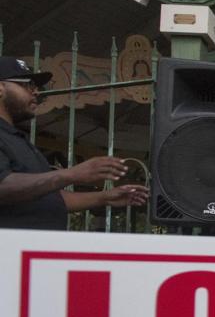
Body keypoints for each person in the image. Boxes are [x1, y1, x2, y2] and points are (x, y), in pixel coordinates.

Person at [0, 57, 147, 229]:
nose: (36, 92)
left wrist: (104, 197)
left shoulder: (16, 137)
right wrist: (71, 174)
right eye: (27, 84)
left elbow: (48, 198)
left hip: (30, 250)